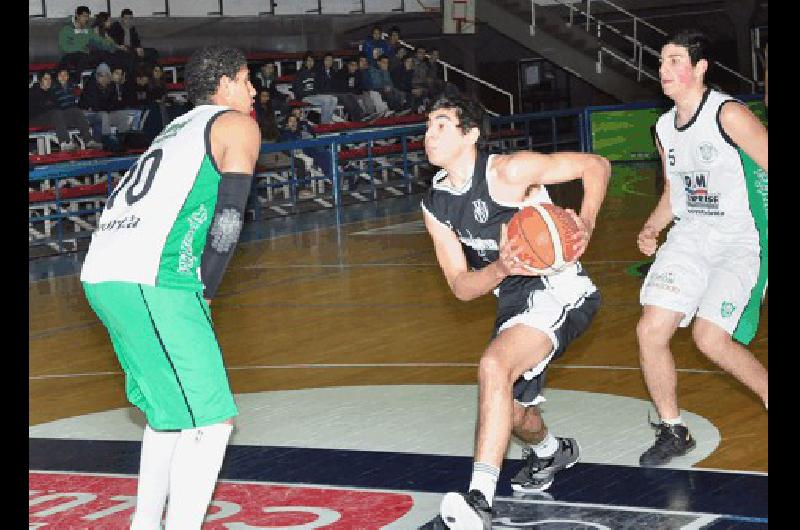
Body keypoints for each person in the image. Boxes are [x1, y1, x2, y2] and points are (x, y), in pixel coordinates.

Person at [79, 45, 260, 529]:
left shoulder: (174, 127)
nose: (254, 91)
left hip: (104, 271)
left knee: (169, 417)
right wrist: (206, 288)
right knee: (212, 421)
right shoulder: (235, 123)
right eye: (246, 80)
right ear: (223, 84)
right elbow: (229, 216)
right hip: (154, 274)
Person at [421, 94, 609, 529]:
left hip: (559, 287)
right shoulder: (436, 204)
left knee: (492, 366)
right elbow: (461, 286)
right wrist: (503, 266)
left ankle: (479, 503)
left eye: (442, 125)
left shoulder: (510, 170)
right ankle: (550, 451)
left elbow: (595, 165)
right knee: (514, 411)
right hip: (511, 296)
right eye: (428, 125)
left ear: (470, 135)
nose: (429, 135)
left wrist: (586, 222)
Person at [635, 30, 768, 466]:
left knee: (709, 339)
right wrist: (653, 226)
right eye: (660, 62)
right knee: (650, 331)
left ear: (700, 67)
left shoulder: (728, 115)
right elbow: (676, 189)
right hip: (690, 237)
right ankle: (673, 429)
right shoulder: (661, 128)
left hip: (739, 240)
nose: (664, 70)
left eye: (675, 61)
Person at [32, 69, 102, 151]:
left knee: (75, 111)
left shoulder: (51, 92)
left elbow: (56, 106)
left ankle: (88, 140)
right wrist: (49, 107)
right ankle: (65, 142)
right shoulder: (33, 92)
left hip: (52, 117)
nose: (48, 81)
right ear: (40, 81)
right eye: (45, 79)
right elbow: (36, 109)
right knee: (56, 113)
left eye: (50, 79)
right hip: (36, 118)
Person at [58, 5, 124, 75]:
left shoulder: (88, 29)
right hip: (70, 55)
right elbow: (64, 46)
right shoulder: (67, 29)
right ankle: (76, 80)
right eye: (84, 16)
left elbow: (99, 40)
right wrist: (81, 49)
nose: (86, 19)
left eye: (88, 16)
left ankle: (116, 76)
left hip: (86, 55)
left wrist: (115, 46)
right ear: (77, 16)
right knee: (83, 56)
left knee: (105, 54)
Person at [292, 53, 338, 124]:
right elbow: (298, 91)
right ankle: (324, 124)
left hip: (314, 96)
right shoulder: (299, 74)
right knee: (327, 100)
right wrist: (312, 92)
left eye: (312, 61)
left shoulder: (315, 72)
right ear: (305, 62)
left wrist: (315, 92)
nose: (310, 63)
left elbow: (317, 87)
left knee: (334, 99)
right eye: (308, 61)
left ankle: (327, 120)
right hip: (304, 97)